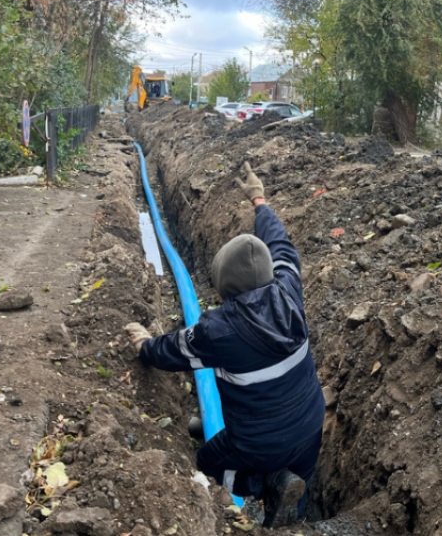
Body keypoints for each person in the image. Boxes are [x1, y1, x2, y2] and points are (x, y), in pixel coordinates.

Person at [127, 162, 325, 528]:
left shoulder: (218, 330)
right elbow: (280, 243)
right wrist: (259, 201)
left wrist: (144, 345)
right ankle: (291, 515)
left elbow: (172, 352)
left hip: (257, 443)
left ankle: (263, 483)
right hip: (312, 423)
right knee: (297, 489)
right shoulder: (289, 289)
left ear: (225, 288)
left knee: (205, 466)